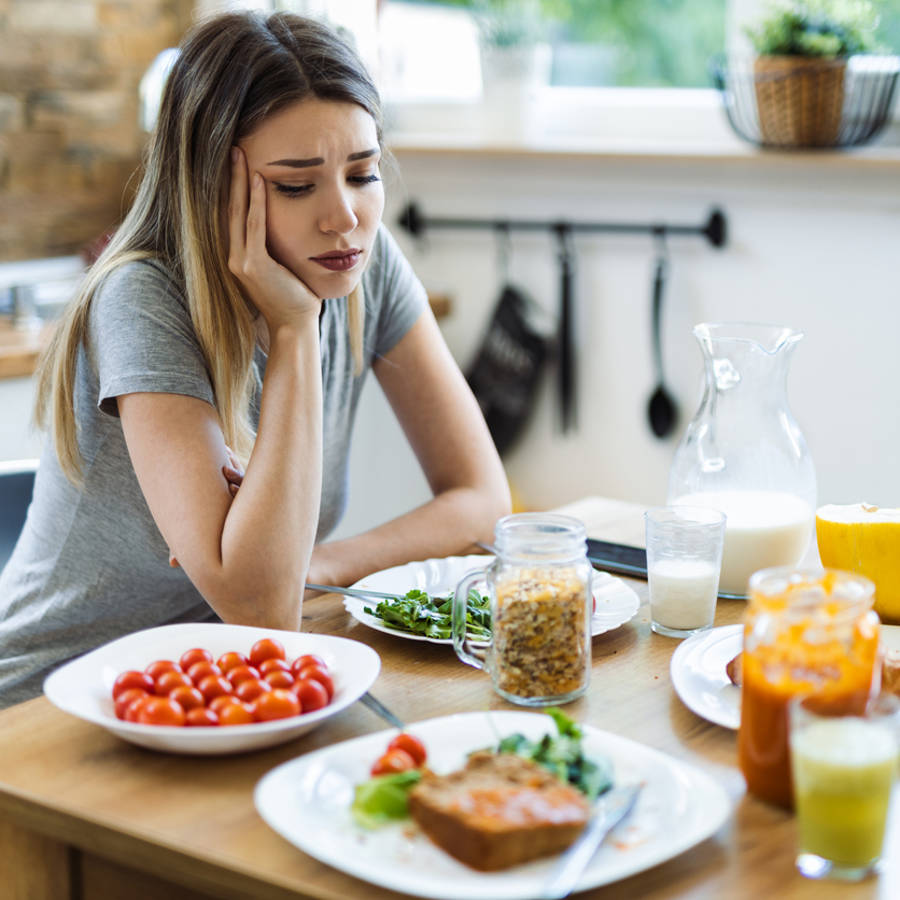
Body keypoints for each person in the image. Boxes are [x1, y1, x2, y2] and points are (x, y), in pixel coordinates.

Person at [0, 11, 510, 707]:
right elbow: (262, 610)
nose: (344, 217)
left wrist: (320, 562)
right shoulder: (143, 298)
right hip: (49, 707)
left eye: (362, 174)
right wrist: (298, 330)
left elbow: (483, 502)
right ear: (213, 185)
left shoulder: (364, 262)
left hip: (220, 686)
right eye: (296, 185)